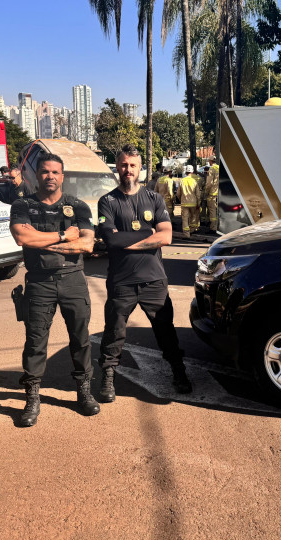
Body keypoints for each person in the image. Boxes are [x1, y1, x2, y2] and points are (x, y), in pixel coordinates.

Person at [97, 145, 192, 400]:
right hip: (121, 282)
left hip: (154, 280)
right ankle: (107, 376)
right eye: (123, 165)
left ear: (140, 168)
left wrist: (125, 240)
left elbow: (167, 237)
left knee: (166, 331)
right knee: (114, 332)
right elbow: (110, 240)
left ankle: (178, 369)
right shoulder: (108, 201)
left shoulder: (154, 199)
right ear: (117, 167)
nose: (128, 170)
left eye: (133, 165)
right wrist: (148, 234)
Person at [10, 152, 100, 420]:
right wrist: (62, 236)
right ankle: (32, 398)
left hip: (73, 278)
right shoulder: (22, 205)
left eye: (55, 172)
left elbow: (87, 244)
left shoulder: (78, 206)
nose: (50, 176)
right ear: (36, 175)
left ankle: (84, 391)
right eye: (45, 171)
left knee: (80, 339)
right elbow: (21, 237)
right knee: (35, 341)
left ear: (63, 176)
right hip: (39, 281)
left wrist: (40, 240)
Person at [178, 165, 199, 238]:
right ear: (192, 172)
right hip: (193, 202)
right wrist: (198, 203)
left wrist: (181, 198)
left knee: (185, 218)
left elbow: (178, 193)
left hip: (184, 202)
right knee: (193, 217)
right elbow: (197, 194)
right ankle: (192, 230)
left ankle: (186, 234)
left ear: (186, 172)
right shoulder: (194, 181)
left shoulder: (182, 181)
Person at [204, 156, 220, 233]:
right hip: (220, 193)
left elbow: (209, 183)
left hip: (212, 193)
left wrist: (206, 192)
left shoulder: (211, 169)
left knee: (212, 211)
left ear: (210, 161)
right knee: (218, 210)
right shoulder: (219, 168)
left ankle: (213, 228)